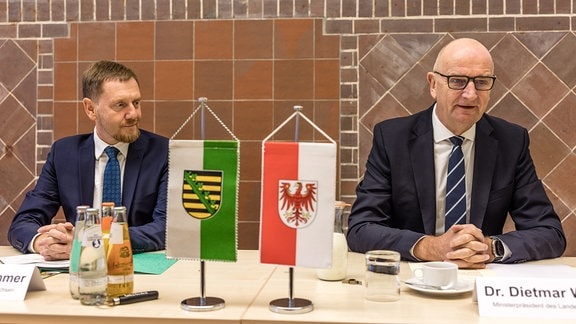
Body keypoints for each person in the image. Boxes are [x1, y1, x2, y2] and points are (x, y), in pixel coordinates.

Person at [346, 38, 566, 269]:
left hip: (480, 279)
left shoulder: (511, 142)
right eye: (457, 81)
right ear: (433, 84)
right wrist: (431, 247)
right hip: (410, 279)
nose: (470, 94)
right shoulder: (392, 138)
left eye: (481, 82)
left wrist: (489, 248)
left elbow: (550, 233)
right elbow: (362, 228)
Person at [8, 60, 168, 260]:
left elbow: (165, 228)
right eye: (120, 105)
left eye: (136, 102)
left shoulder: (163, 153)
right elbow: (24, 221)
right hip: (78, 273)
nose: (134, 114)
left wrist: (90, 242)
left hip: (139, 269)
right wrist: (44, 242)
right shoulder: (64, 153)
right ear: (91, 109)